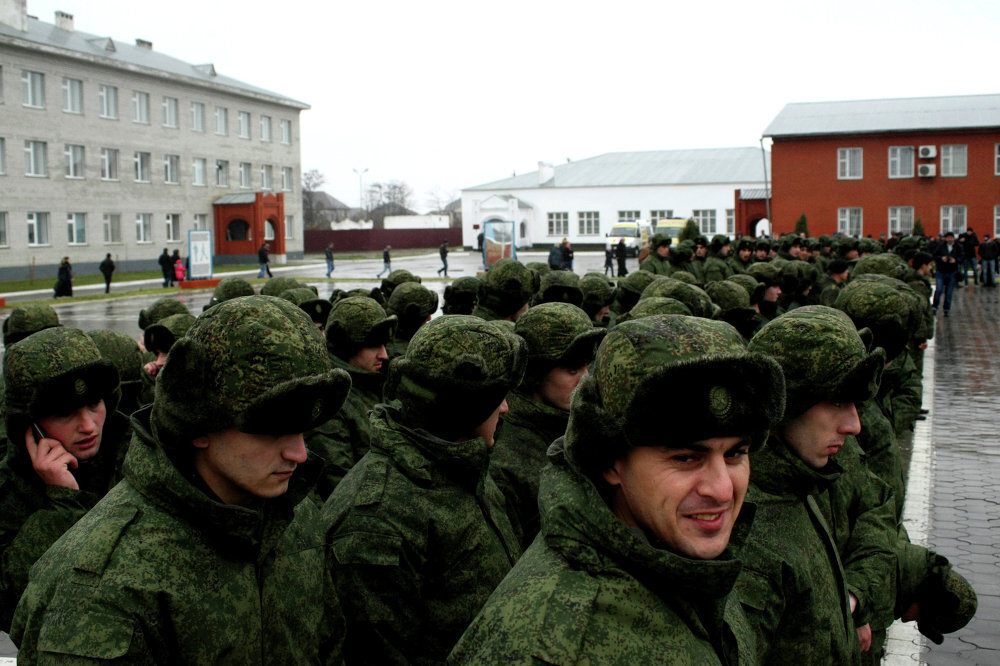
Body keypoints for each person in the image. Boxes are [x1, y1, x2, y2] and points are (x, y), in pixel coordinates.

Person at [11, 296, 351, 663]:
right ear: (198, 423)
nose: (299, 454)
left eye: (302, 429)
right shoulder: (98, 583)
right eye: (271, 430)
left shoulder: (294, 517)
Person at [451, 314, 785, 664]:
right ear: (611, 462)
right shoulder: (545, 644)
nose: (721, 490)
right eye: (686, 458)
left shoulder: (687, 559)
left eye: (735, 454)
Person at [323, 315, 525, 664]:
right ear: (464, 406)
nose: (505, 407)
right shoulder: (376, 519)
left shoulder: (459, 460)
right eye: (498, 397)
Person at [739, 306, 897, 664]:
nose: (854, 425)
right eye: (838, 402)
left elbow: (877, 508)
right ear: (786, 402)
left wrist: (850, 604)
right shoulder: (747, 526)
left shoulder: (799, 481)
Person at [0, 327, 132, 630]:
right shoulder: (9, 494)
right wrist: (62, 508)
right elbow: (10, 605)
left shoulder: (142, 458)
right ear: (29, 426)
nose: (87, 426)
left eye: (94, 404)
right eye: (65, 413)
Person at [491, 302, 605, 547]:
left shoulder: (582, 423)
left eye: (587, 366)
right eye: (572, 369)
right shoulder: (505, 450)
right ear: (534, 373)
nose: (585, 379)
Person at [307, 296, 396, 498]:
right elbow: (339, 485)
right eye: (373, 345)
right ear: (346, 345)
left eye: (384, 345)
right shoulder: (331, 401)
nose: (384, 355)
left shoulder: (375, 385)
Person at [932, 231, 963, 316]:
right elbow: (934, 255)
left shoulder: (958, 247)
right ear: (945, 238)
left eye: (951, 237)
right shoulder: (940, 246)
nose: (949, 239)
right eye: (948, 237)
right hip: (941, 271)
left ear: (953, 238)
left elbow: (962, 257)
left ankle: (946, 309)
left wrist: (955, 260)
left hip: (952, 272)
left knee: (949, 292)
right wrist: (941, 258)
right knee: (939, 289)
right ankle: (935, 307)